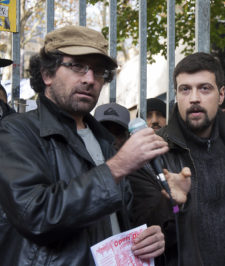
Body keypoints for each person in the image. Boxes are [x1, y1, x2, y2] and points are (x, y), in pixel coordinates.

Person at [0, 25, 173, 265]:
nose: (90, 79)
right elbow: (35, 215)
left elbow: (120, 221)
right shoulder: (16, 132)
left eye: (98, 70)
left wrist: (149, 237)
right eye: (77, 66)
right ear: (47, 74)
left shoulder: (104, 141)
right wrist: (117, 167)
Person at [129, 52, 225, 265]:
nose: (194, 98)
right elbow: (142, 235)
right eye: (185, 89)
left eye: (204, 88)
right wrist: (172, 205)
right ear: (176, 95)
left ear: (221, 95)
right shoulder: (152, 156)